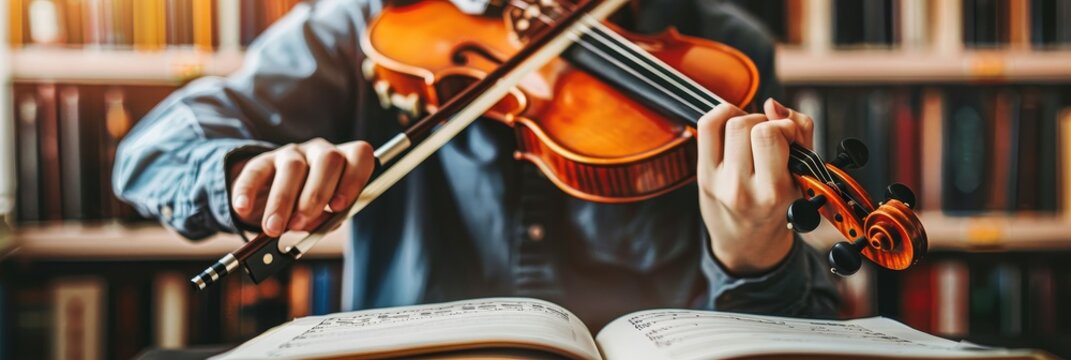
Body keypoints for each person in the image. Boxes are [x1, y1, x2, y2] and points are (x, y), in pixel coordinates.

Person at [114, 0, 838, 330]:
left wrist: (753, 253)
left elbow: (794, 328)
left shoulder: (718, 51)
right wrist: (249, 172)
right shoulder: (364, 28)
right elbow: (151, 150)